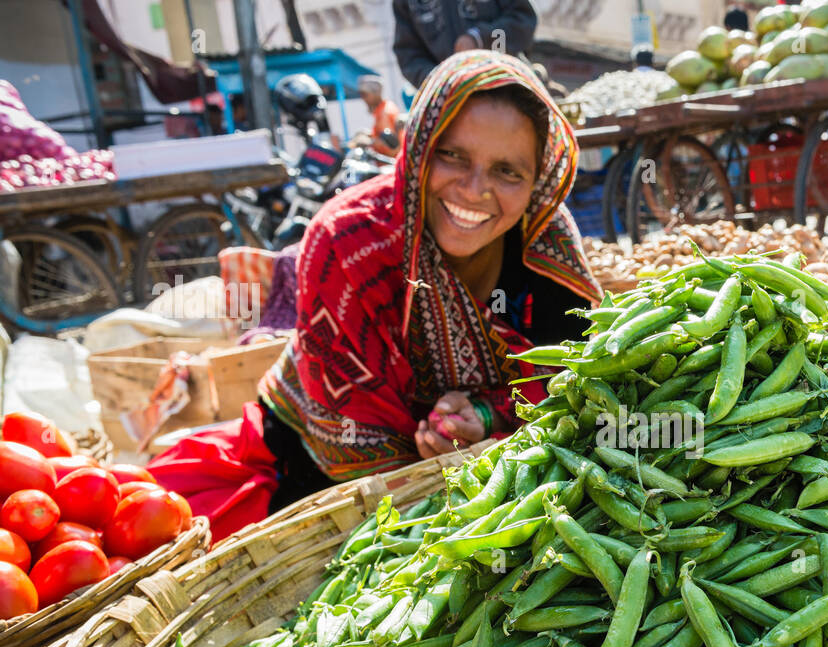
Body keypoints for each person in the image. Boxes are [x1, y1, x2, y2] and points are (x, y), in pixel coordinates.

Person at [147, 51, 600, 540]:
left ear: (537, 180)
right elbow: (351, 424)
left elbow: (571, 378)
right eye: (452, 155)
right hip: (323, 466)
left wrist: (486, 419)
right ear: (421, 146)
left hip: (487, 467)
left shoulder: (544, 239)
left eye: (508, 171)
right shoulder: (347, 241)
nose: (475, 190)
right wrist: (446, 463)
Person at [393, 0, 539, 88]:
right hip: (448, 96)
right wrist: (441, 78)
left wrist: (480, 39)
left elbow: (523, 21)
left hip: (508, 81)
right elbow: (408, 54)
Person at [350, 75, 402, 157]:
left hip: (390, 164)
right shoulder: (383, 108)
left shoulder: (384, 113)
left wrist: (369, 142)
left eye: (365, 95)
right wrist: (370, 135)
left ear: (375, 93)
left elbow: (392, 147)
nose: (363, 99)